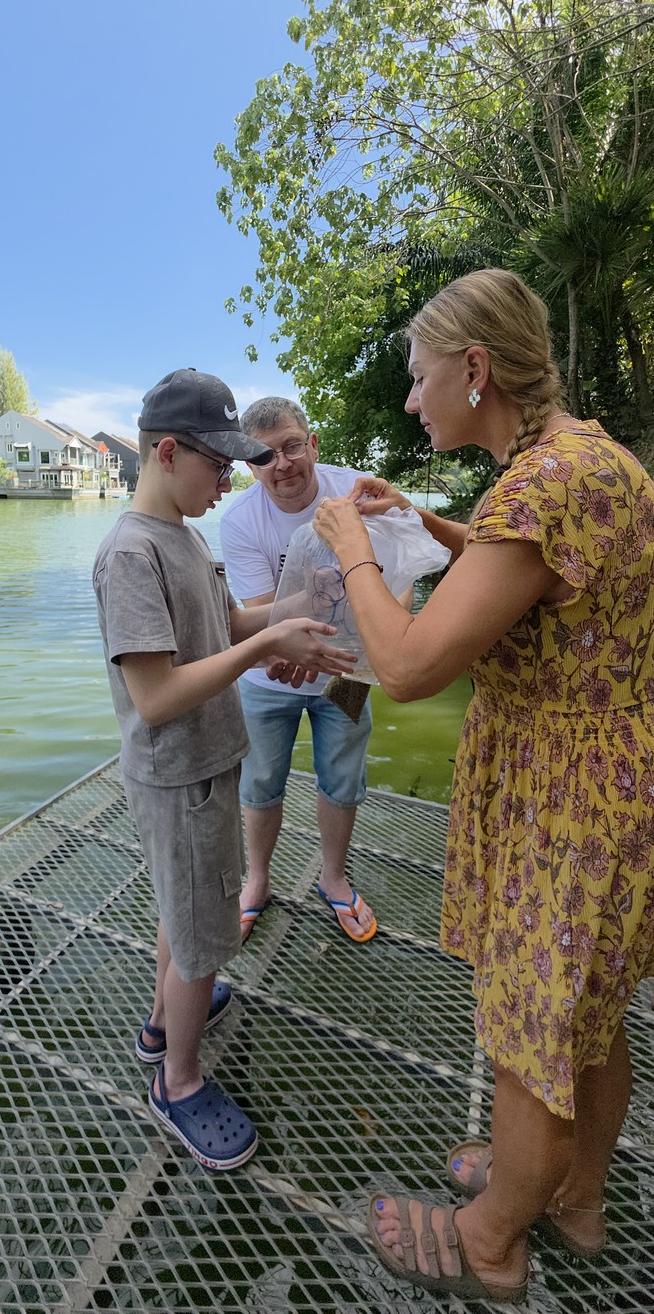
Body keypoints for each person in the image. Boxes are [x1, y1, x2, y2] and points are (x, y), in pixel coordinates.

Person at [313, 269, 654, 1303]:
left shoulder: (540, 483)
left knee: (528, 1038)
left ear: (474, 369)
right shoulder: (585, 459)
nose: (410, 398)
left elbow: (409, 666)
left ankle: (490, 1240)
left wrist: (355, 553)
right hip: (608, 781)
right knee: (585, 1018)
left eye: (420, 377)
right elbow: (539, 577)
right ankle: (573, 1197)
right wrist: (432, 525)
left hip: (563, 802)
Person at [93, 368, 356, 1172]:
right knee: (202, 937)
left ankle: (162, 1021)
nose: (231, 481)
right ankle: (177, 1081)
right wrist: (266, 646)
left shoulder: (182, 532)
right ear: (168, 453)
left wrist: (294, 607)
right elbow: (156, 696)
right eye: (220, 464)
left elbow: (227, 624)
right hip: (180, 775)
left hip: (208, 765)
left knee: (185, 913)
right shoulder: (132, 553)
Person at [219, 396, 381, 945]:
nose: (282, 464)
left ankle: (333, 877)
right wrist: (332, 599)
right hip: (271, 676)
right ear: (249, 466)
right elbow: (267, 616)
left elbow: (396, 575)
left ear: (312, 444)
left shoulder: (355, 492)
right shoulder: (241, 520)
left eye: (292, 446)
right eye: (264, 456)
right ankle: (258, 880)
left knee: (343, 772)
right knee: (261, 778)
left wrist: (388, 641)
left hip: (349, 668)